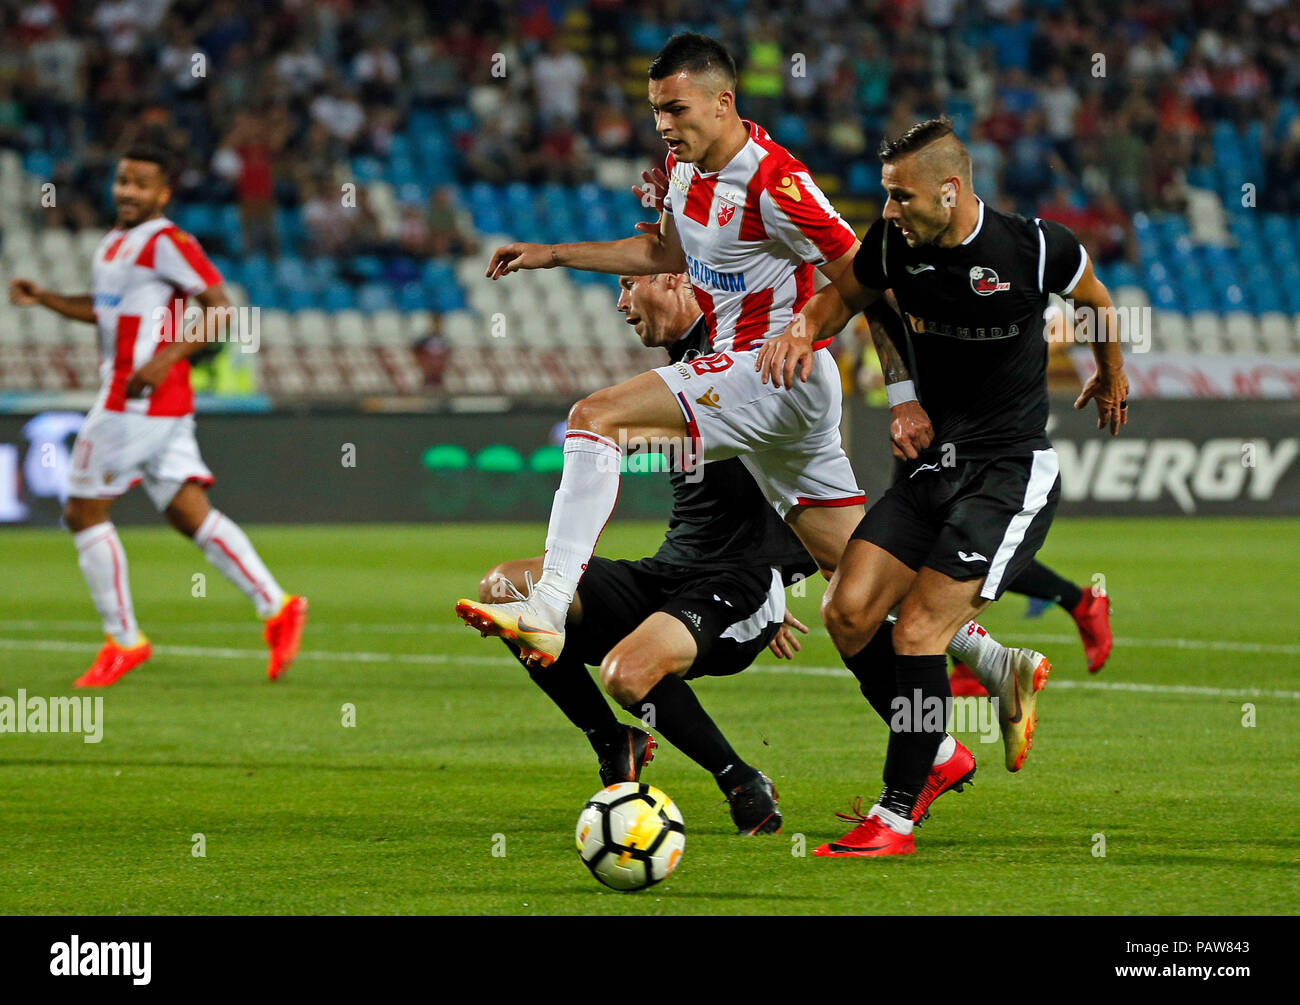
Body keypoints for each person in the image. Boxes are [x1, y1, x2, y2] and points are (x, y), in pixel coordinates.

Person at [457, 33, 930, 672]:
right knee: (851, 567)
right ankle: (993, 659)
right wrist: (553, 254)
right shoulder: (686, 171)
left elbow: (870, 280)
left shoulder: (777, 182)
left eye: (675, 109)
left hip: (773, 373)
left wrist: (901, 399)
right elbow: (664, 255)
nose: (662, 124)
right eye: (656, 109)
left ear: (721, 103)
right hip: (760, 385)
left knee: (595, 419)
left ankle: (547, 607)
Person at [467, 272, 972, 834]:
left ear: (681, 280)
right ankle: (613, 740)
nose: (621, 302)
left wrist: (779, 579)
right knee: (505, 589)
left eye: (632, 283)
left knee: (627, 675)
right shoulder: (677, 382)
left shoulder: (754, 353)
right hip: (670, 572)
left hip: (737, 585)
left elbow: (805, 488)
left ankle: (739, 777)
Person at [779, 118, 1128, 856]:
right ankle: (942, 745)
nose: (891, 210)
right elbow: (844, 300)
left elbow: (1096, 299)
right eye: (887, 197)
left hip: (1005, 471)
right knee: (847, 611)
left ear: (951, 188)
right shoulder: (889, 244)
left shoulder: (1032, 247)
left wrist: (1112, 375)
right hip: (930, 465)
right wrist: (798, 332)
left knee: (918, 632)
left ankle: (898, 812)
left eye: (902, 197)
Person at [9, 144, 307, 687]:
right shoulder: (114, 244)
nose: (128, 191)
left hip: (139, 395)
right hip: (150, 395)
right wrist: (46, 298)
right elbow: (103, 310)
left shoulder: (169, 242)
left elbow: (221, 310)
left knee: (82, 511)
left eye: (141, 184)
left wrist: (164, 357)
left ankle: (124, 640)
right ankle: (278, 604)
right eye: (122, 180)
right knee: (187, 513)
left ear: (163, 193)